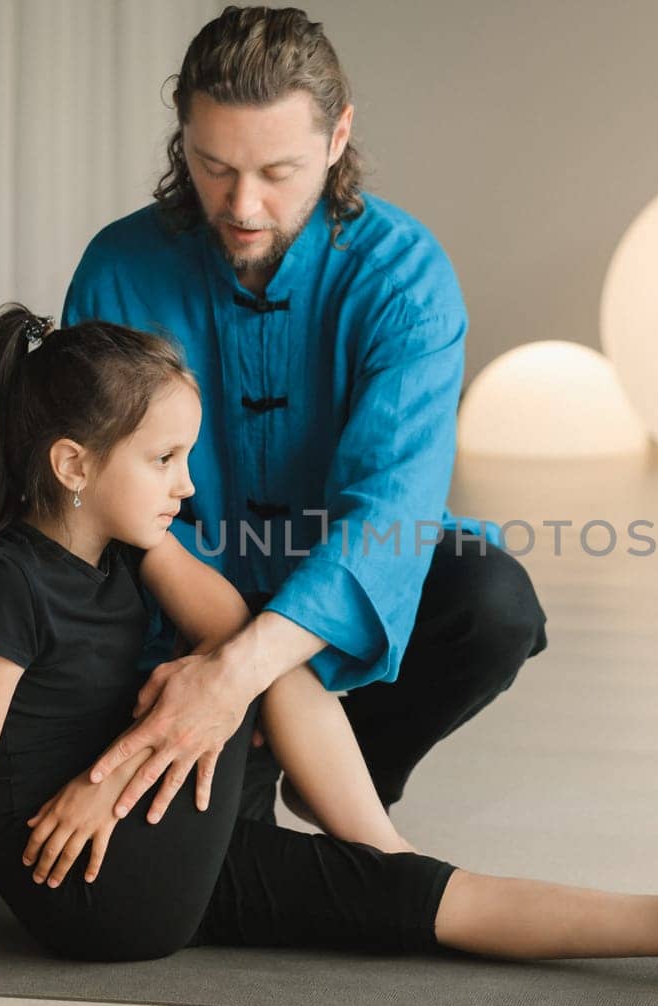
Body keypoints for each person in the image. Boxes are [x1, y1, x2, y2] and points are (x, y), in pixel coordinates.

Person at [0, 305, 658, 985]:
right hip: (96, 884)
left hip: (153, 851)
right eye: (166, 459)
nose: (185, 482)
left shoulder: (128, 548)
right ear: (74, 464)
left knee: (390, 865)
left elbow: (230, 629)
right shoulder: (3, 581)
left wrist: (172, 568)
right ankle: (377, 842)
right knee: (236, 664)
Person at [54, 4, 547, 834]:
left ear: (337, 136)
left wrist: (237, 674)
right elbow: (86, 501)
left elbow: (391, 509)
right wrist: (200, 661)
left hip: (332, 576)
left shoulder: (405, 277)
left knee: (490, 601)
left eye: (277, 172)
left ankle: (350, 775)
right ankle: (266, 766)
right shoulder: (117, 266)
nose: (243, 205)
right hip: (169, 601)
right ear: (183, 139)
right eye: (213, 166)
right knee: (199, 882)